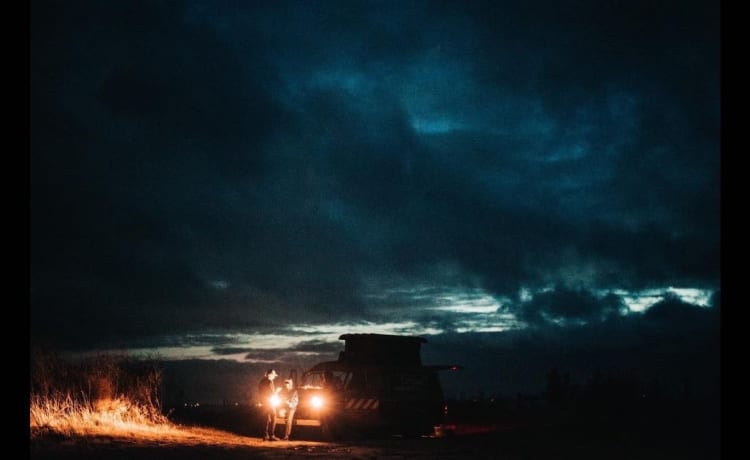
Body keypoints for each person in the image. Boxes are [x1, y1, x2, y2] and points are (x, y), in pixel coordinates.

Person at [258, 368, 280, 441]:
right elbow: (271, 393)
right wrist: (277, 391)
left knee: (266, 418)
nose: (274, 377)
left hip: (264, 402)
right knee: (274, 417)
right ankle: (271, 435)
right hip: (270, 402)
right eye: (273, 375)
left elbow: (261, 392)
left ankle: (265, 435)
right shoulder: (270, 382)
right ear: (270, 375)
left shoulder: (261, 381)